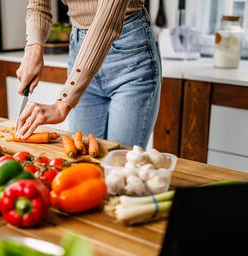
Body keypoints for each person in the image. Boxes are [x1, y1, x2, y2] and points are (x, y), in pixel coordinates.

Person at [16, 0, 161, 148]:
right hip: (79, 47)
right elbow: (38, 5)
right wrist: (33, 48)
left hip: (130, 54)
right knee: (81, 156)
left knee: (120, 165)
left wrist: (63, 103)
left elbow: (107, 22)